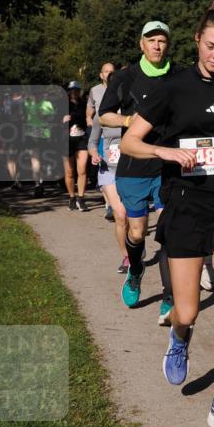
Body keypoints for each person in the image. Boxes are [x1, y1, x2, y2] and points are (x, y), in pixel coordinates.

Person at [121, 2, 214, 427]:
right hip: (185, 205)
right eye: (210, 46)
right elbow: (131, 142)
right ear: (197, 42)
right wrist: (164, 151)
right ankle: (180, 338)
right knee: (187, 311)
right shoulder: (173, 88)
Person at [99, 22, 174, 322]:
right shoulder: (125, 77)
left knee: (169, 232)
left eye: (162, 41)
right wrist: (129, 122)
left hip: (169, 164)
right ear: (141, 43)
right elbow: (105, 116)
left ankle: (169, 298)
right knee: (137, 231)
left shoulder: (178, 75)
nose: (157, 45)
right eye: (151, 40)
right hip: (133, 166)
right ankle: (136, 270)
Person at [88, 76, 133, 281]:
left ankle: (135, 245)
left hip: (131, 170)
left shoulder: (132, 114)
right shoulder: (101, 116)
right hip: (109, 170)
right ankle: (127, 257)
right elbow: (92, 141)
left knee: (134, 217)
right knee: (121, 214)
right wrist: (94, 154)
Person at [87, 63, 116, 217]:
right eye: (106, 71)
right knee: (104, 167)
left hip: (118, 137)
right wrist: (90, 122)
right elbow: (90, 109)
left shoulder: (122, 89)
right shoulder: (95, 90)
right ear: (101, 74)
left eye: (112, 71)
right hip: (102, 136)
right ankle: (109, 204)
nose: (109, 74)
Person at [63, 81, 89, 210]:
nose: (74, 92)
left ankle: (81, 198)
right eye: (72, 90)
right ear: (68, 91)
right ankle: (72, 197)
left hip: (81, 139)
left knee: (82, 169)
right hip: (66, 140)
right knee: (69, 172)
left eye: (77, 90)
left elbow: (88, 119)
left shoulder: (84, 104)